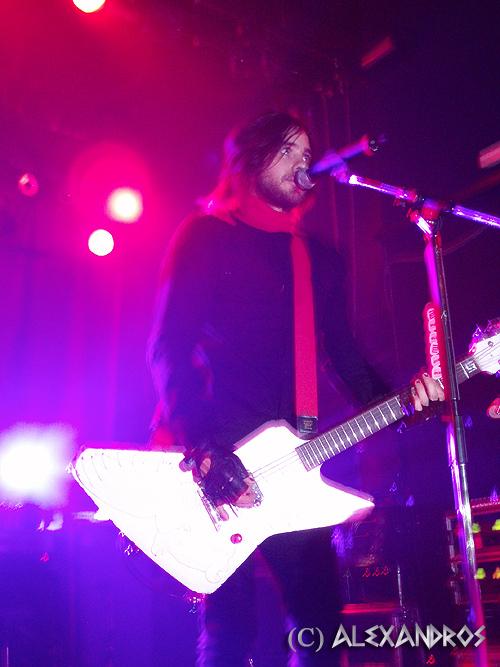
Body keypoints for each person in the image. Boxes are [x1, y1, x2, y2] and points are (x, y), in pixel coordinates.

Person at [148, 111, 444, 667]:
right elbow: (168, 346)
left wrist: (405, 403)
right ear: (249, 161)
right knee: (231, 628)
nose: (302, 163)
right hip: (216, 462)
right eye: (287, 150)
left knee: (320, 625)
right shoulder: (207, 237)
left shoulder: (319, 259)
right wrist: (205, 447)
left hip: (293, 466)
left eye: (307, 154)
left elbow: (346, 357)